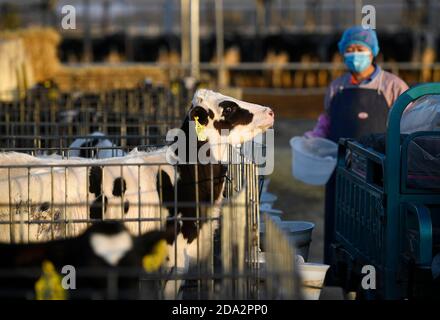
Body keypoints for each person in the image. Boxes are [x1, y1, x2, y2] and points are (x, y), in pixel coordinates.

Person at [304, 26, 409, 266]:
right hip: (341, 170)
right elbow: (326, 122)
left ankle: (376, 278)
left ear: (372, 52)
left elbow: (408, 123)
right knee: (341, 226)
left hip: (378, 174)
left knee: (375, 226)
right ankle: (343, 278)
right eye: (349, 50)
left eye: (360, 49)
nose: (354, 54)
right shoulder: (337, 87)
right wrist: (313, 138)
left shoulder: (393, 86)